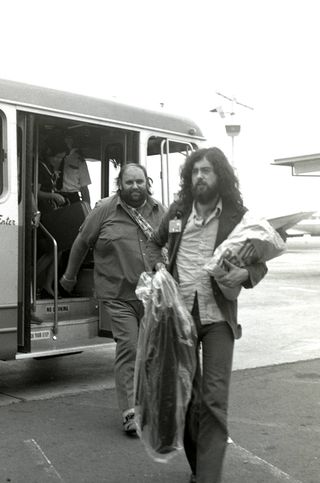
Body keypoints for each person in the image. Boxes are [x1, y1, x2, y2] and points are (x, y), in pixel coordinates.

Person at [147, 147, 268, 483]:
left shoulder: (238, 216)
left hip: (218, 319)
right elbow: (152, 245)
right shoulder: (178, 211)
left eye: (207, 171)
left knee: (214, 401)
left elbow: (261, 260)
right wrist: (158, 268)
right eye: (195, 171)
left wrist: (247, 275)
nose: (200, 176)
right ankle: (201, 469)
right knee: (185, 398)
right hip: (178, 317)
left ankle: (208, 478)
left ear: (220, 177)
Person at [59, 163, 166, 435]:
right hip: (118, 295)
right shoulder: (105, 209)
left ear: (147, 182)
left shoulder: (159, 211)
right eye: (129, 182)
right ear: (121, 184)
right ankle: (130, 412)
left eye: (139, 181)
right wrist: (69, 277)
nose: (135, 187)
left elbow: (171, 247)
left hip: (151, 296)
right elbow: (82, 241)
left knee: (151, 351)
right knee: (129, 345)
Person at [56, 133, 91, 208]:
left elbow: (84, 187)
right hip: (55, 196)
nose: (67, 141)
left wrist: (88, 210)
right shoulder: (54, 156)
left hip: (72, 197)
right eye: (65, 138)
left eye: (70, 138)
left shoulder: (79, 160)